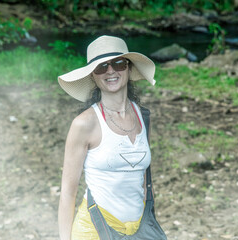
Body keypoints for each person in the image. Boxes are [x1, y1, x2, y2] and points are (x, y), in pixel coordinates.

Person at [57, 35, 164, 240]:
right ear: (93, 77)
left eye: (118, 63)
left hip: (138, 229)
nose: (110, 71)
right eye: (101, 67)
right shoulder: (84, 123)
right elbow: (67, 193)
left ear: (129, 68)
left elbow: (141, 181)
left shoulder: (142, 116)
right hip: (94, 230)